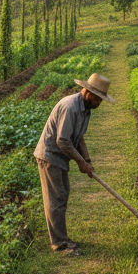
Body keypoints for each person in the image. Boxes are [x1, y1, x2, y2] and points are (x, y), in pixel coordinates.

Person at [33, 72, 115, 254]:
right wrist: (80, 163)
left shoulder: (85, 109)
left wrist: (87, 161)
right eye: (99, 99)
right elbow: (62, 140)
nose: (100, 103)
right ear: (89, 93)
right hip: (50, 155)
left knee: (62, 196)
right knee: (56, 198)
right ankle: (60, 244)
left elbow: (79, 138)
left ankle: (61, 237)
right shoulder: (70, 107)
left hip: (60, 156)